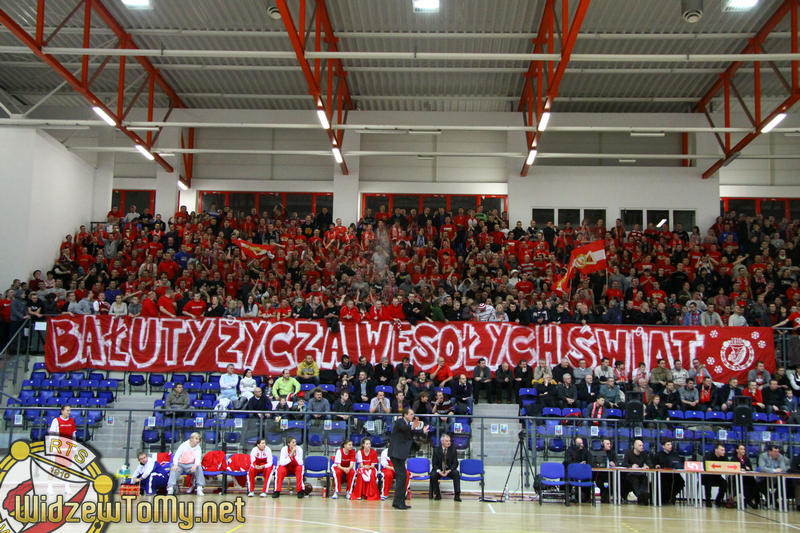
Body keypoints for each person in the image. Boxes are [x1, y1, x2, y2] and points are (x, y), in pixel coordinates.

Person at [388, 408, 430, 510]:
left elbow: (412, 433)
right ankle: (399, 502)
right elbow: (406, 429)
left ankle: (398, 502)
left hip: (400, 454)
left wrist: (422, 431)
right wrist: (413, 426)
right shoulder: (400, 422)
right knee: (402, 477)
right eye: (411, 414)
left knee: (402, 477)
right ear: (405, 415)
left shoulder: (406, 425)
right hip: (396, 454)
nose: (413, 416)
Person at [429, 433, 461, 501]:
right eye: (447, 441)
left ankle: (457, 495)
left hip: (449, 470)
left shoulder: (453, 449)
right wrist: (439, 471)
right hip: (439, 470)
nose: (449, 442)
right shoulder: (436, 450)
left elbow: (455, 463)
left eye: (449, 441)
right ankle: (437, 494)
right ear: (442, 441)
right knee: (433, 475)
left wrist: (449, 470)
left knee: (456, 473)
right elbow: (434, 463)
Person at [621, 439, 651, 505]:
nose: (642, 447)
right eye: (640, 445)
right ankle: (640, 497)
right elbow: (624, 464)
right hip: (631, 474)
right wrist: (631, 466)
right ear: (635, 446)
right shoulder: (628, 453)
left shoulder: (644, 454)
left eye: (642, 445)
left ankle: (644, 495)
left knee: (645, 479)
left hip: (641, 474)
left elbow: (650, 463)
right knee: (635, 480)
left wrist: (647, 466)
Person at [563, 437, 592, 501]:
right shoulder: (569, 451)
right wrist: (578, 464)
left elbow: (590, 461)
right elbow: (568, 462)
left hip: (583, 473)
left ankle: (586, 498)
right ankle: (568, 496)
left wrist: (585, 464)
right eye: (579, 443)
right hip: (571, 473)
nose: (581, 445)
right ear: (575, 444)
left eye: (582, 443)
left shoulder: (585, 451)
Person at [732, 443, 759, 509]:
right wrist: (743, 467)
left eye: (744, 449)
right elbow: (735, 468)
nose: (743, 450)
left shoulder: (746, 459)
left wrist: (744, 467)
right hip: (738, 478)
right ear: (737, 450)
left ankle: (754, 501)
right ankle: (747, 500)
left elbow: (750, 468)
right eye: (741, 449)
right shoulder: (734, 459)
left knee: (755, 485)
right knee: (744, 486)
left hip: (747, 477)